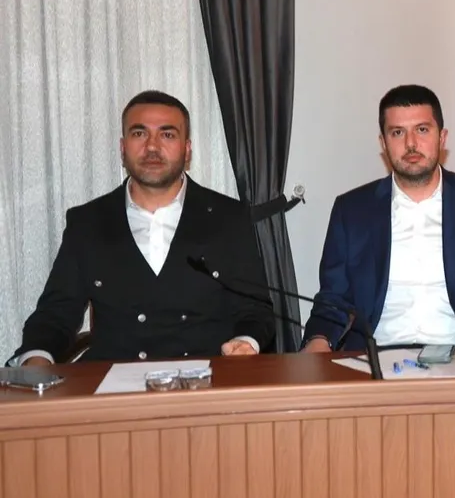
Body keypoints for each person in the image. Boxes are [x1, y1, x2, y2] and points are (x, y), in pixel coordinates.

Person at [11, 91, 274, 364]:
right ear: (123, 148)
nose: (152, 147)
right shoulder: (88, 222)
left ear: (187, 150)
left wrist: (246, 342)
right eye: (139, 134)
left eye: (167, 135)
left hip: (206, 378)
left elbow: (255, 310)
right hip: (113, 380)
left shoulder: (228, 218)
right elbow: (56, 313)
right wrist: (36, 357)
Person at [302, 85, 455, 352]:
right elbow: (333, 296)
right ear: (383, 143)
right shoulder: (351, 210)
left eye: (422, 130)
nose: (410, 144)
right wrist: (318, 341)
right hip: (377, 355)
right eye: (397, 132)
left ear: (442, 137)